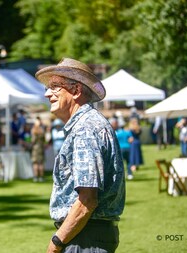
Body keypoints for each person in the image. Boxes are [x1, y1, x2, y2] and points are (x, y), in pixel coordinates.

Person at [36, 58, 125, 253]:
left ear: (76, 91)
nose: (47, 93)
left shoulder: (85, 129)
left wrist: (56, 243)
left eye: (55, 87)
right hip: (88, 234)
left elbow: (87, 201)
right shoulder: (88, 124)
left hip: (85, 237)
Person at [31, 117, 46, 182]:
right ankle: (41, 177)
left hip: (35, 149)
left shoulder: (33, 130)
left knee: (35, 163)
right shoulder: (42, 130)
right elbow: (44, 140)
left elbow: (33, 140)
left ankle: (36, 177)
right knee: (41, 163)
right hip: (41, 148)